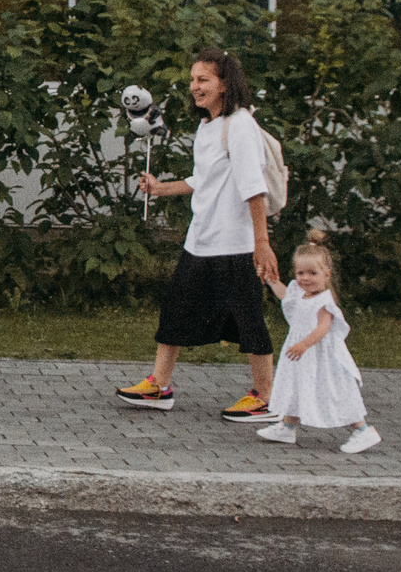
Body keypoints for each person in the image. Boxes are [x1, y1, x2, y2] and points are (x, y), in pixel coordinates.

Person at [114, 46, 282, 421]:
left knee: (248, 318)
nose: (194, 86)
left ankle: (267, 397)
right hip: (201, 241)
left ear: (225, 84)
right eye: (192, 79)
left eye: (203, 79)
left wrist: (261, 243)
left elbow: (254, 188)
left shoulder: (239, 125)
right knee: (175, 310)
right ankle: (159, 385)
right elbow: (202, 181)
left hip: (236, 244)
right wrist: (160, 188)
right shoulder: (208, 126)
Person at [254, 232, 378, 454]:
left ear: (326, 275)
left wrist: (304, 344)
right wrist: (272, 280)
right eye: (301, 273)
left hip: (321, 355)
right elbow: (286, 295)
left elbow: (323, 327)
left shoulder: (324, 300)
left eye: (313, 273)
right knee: (296, 384)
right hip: (303, 354)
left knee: (333, 391)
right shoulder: (300, 292)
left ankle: (363, 429)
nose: (305, 278)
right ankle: (288, 426)